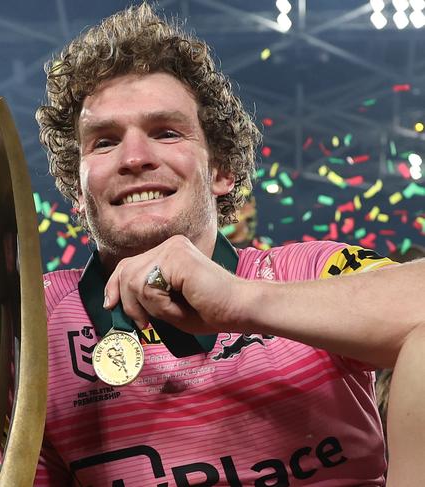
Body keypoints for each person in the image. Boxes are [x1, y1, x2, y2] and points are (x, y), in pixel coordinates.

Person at [35, 4, 423, 485]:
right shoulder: (35, 319)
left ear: (222, 171)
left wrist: (241, 300)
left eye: (166, 132)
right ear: (77, 191)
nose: (134, 157)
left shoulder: (310, 273)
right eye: (104, 141)